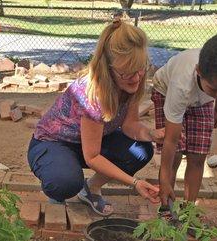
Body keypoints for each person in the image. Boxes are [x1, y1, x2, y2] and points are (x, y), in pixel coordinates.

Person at [27, 19, 164, 216]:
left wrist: (151, 134)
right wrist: (135, 183)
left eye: (141, 68)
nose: (136, 77)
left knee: (140, 150)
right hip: (53, 143)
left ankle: (90, 189)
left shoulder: (132, 82)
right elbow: (92, 157)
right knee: (65, 182)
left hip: (88, 141)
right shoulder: (93, 93)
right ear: (108, 68)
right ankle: (58, 190)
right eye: (127, 73)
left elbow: (130, 125)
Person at [151, 33, 217, 219]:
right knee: (175, 156)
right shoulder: (181, 84)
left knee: (198, 156)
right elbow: (170, 141)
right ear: (198, 71)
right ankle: (167, 208)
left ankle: (188, 212)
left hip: (200, 100)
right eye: (215, 90)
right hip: (165, 92)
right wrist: (163, 180)